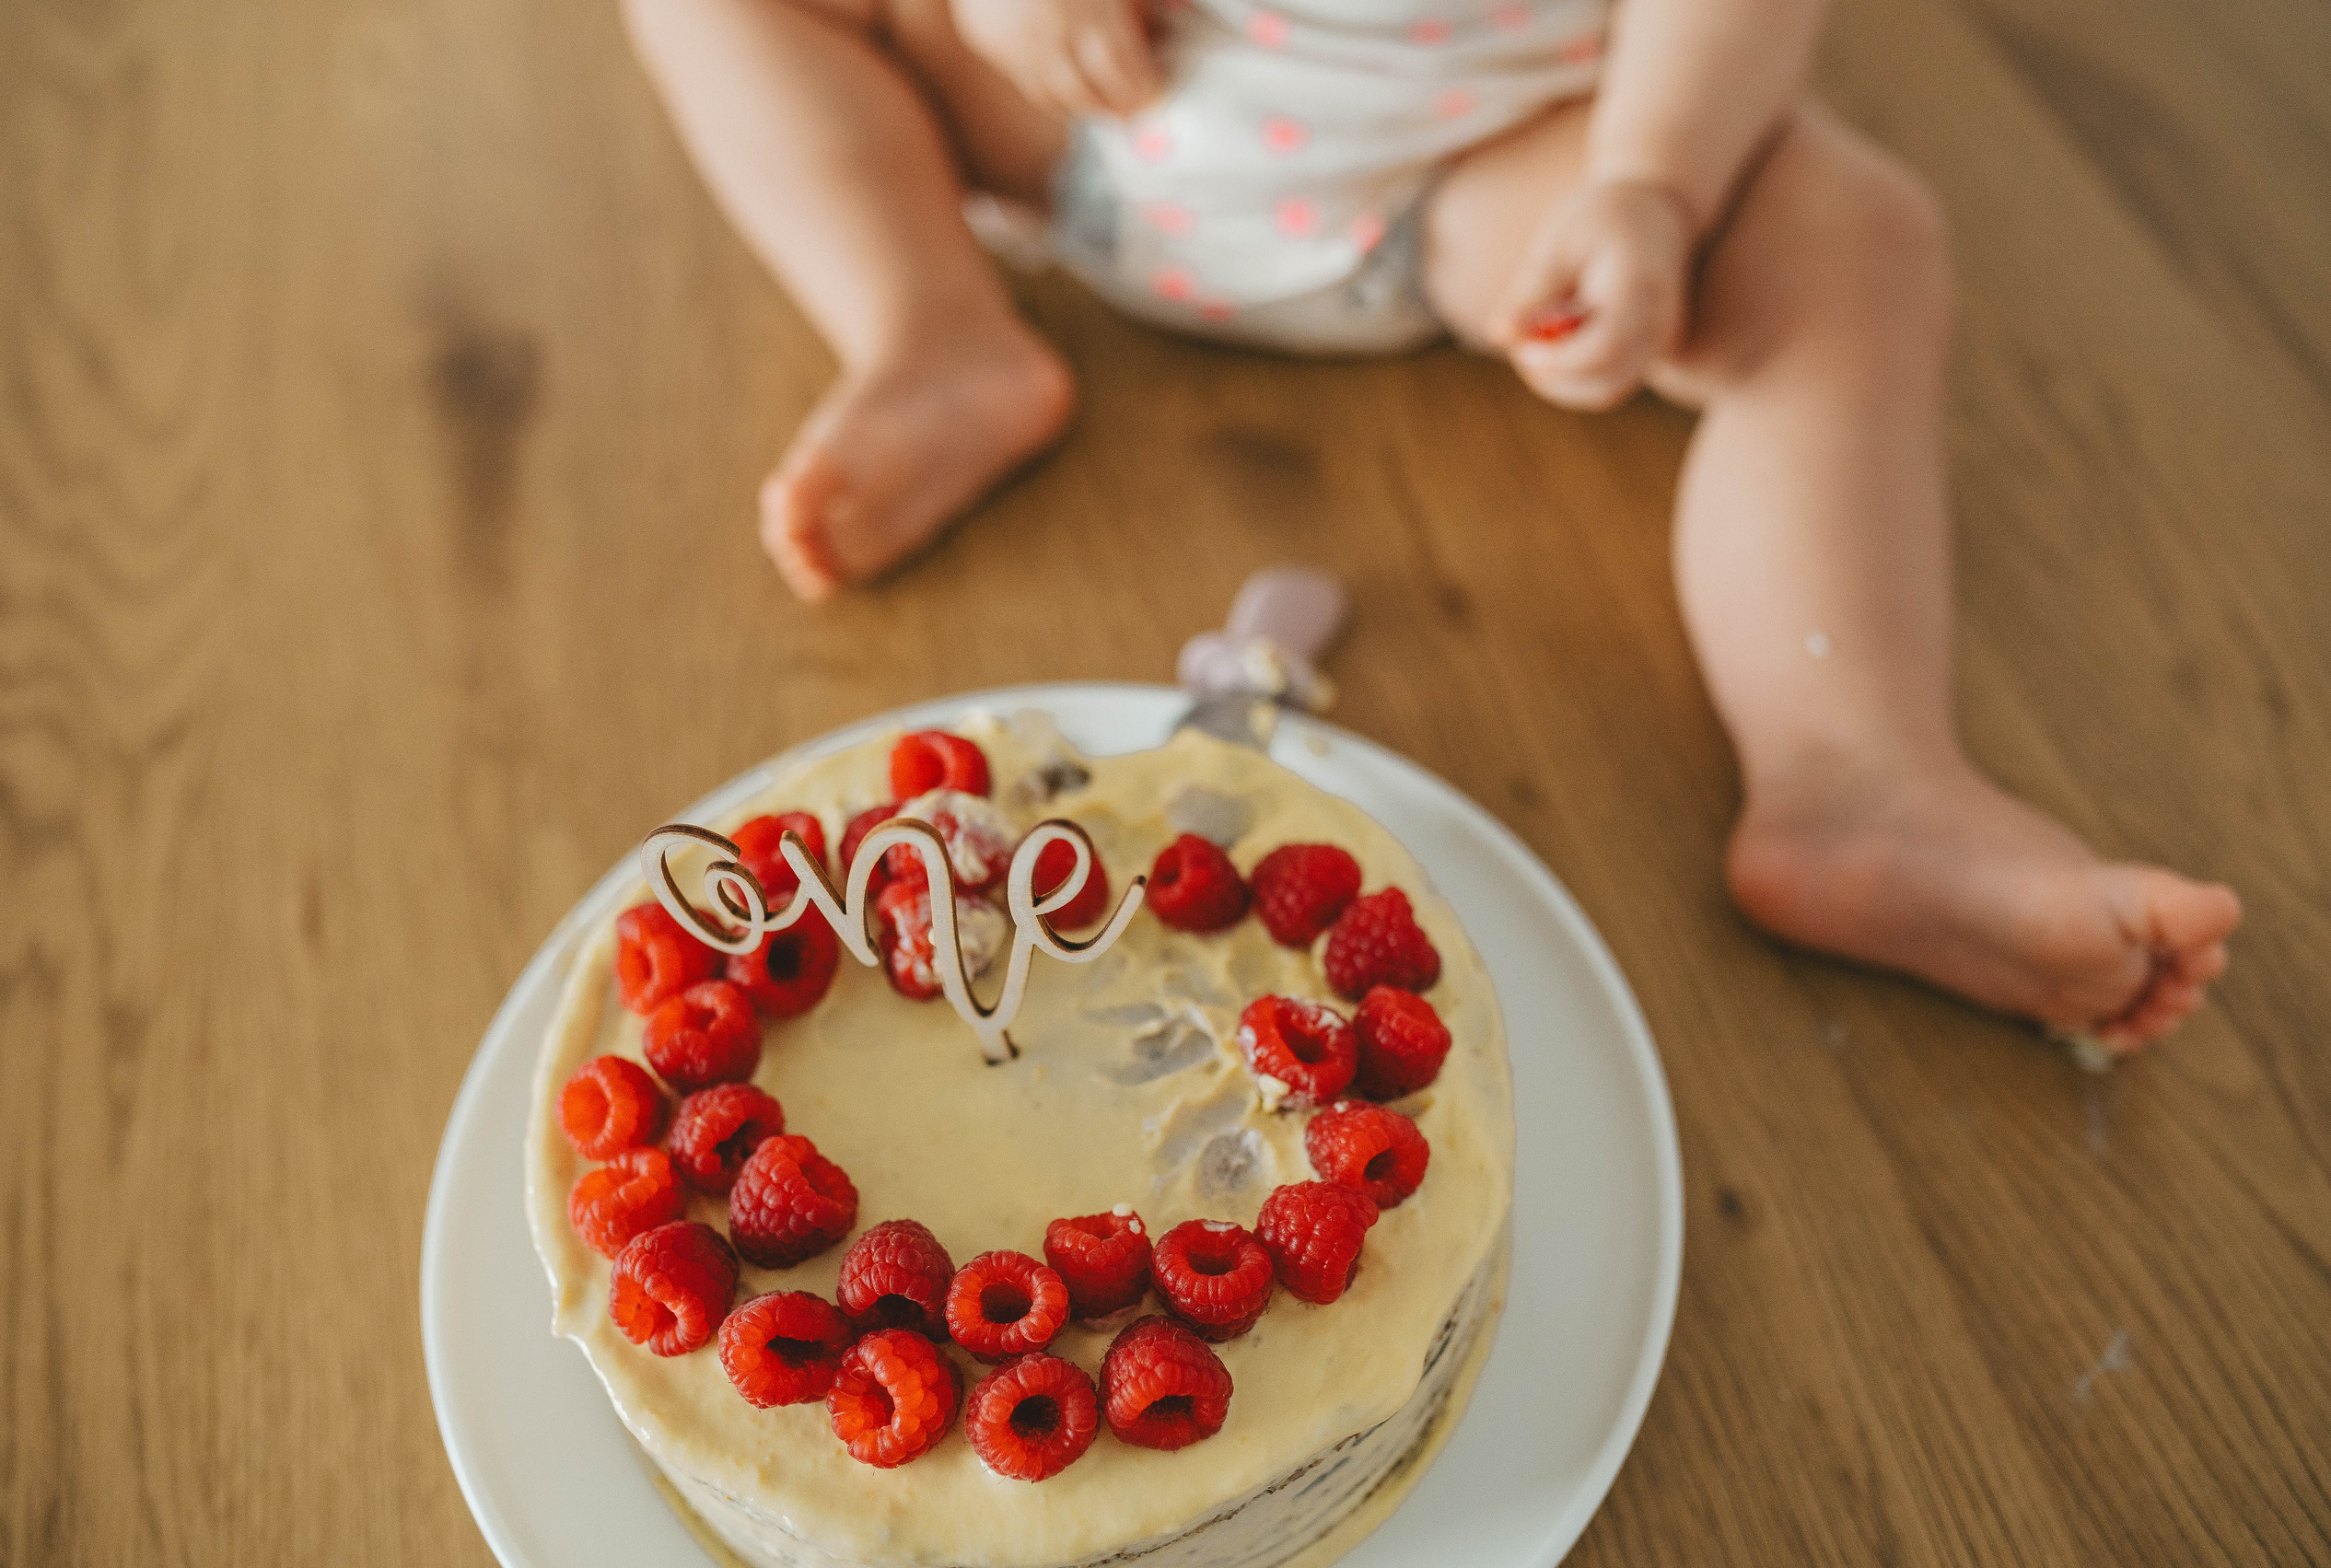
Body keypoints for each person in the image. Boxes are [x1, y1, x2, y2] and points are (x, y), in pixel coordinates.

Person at [620, 0, 2242, 1051]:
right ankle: (929, 325)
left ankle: (1862, 780)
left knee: (1859, 246)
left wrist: (1657, 185)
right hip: (1061, 113)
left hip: (1489, 170)